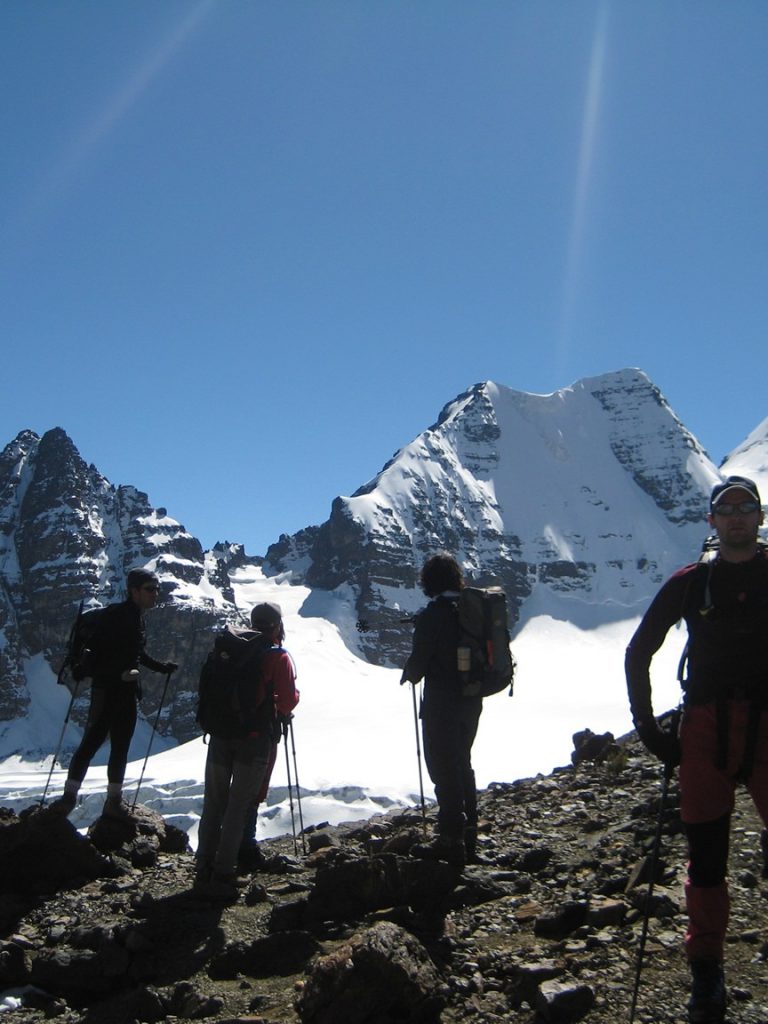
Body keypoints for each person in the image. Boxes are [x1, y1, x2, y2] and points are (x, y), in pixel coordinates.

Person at [626, 475, 768, 1024]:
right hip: (706, 729)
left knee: (708, 853)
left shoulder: (699, 582)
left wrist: (652, 730)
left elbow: (641, 652)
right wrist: (648, 728)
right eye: (726, 509)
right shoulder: (691, 582)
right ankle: (706, 965)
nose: (736, 517)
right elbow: (638, 651)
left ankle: (708, 968)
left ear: (758, 517)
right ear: (712, 521)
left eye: (745, 508)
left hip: (755, 724)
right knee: (706, 859)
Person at [49, 568, 177, 819]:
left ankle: (107, 800)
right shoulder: (118, 617)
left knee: (118, 746)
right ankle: (74, 799)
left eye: (157, 589)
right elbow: (98, 656)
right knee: (94, 744)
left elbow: (136, 653)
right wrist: (119, 674)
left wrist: (161, 668)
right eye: (150, 589)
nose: (156, 594)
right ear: (134, 591)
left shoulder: (135, 618)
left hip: (122, 692)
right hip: (108, 690)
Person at [195, 601, 299, 898]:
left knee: (214, 801)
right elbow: (288, 702)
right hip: (253, 740)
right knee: (239, 804)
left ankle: (203, 864)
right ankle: (225, 872)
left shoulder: (229, 648)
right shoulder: (277, 656)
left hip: (219, 736)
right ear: (278, 625)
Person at [402, 552, 482, 867]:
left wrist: (409, 671)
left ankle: (451, 840)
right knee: (463, 762)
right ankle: (469, 835)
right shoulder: (471, 608)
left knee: (443, 767)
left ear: (428, 581)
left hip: (441, 703)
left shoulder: (433, 615)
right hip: (472, 700)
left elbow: (419, 665)